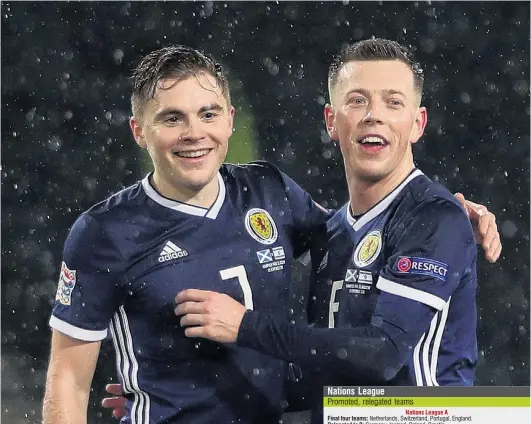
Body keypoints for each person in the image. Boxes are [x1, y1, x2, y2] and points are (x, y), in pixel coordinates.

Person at [100, 41, 502, 421]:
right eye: (357, 100)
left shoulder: (433, 217)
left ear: (417, 124)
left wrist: (245, 326)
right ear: (332, 121)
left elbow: (384, 355)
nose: (373, 114)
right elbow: (334, 376)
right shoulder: (333, 231)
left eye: (393, 102)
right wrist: (178, 388)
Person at [42, 45, 332, 424]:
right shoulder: (105, 233)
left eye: (207, 114)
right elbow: (68, 380)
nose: (194, 133)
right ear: (139, 132)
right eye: (172, 119)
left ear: (229, 119)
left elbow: (356, 256)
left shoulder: (270, 190)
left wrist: (412, 404)